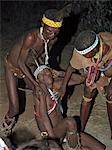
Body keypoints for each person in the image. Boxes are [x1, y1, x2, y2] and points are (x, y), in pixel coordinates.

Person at [2, 8, 64, 136]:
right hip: (13, 66)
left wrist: (47, 71)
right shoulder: (32, 37)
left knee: (43, 93)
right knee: (15, 108)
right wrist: (35, 84)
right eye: (49, 31)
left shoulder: (53, 39)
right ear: (42, 24)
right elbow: (20, 62)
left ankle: (47, 125)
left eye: (56, 32)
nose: (52, 35)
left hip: (28, 67)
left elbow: (42, 56)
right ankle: (6, 126)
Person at [33, 64, 106, 150]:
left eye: (46, 70)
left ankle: (70, 142)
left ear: (52, 73)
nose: (44, 74)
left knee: (100, 148)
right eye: (40, 74)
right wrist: (53, 140)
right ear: (37, 81)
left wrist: (61, 73)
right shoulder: (40, 91)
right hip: (51, 133)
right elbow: (44, 117)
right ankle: (75, 148)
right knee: (70, 122)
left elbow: (81, 79)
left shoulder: (57, 85)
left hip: (64, 131)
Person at [60, 30, 112, 138]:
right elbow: (71, 67)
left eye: (85, 55)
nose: (82, 56)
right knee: (88, 92)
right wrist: (63, 87)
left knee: (110, 95)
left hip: (109, 68)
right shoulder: (80, 52)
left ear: (95, 49)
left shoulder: (109, 41)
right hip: (96, 68)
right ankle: (81, 130)